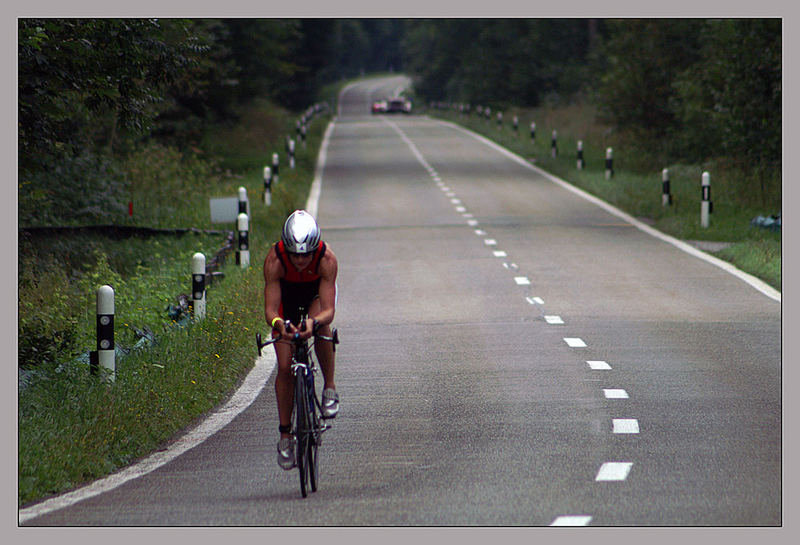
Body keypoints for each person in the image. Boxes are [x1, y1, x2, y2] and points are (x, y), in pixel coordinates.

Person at [263, 210, 339, 470]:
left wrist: (313, 322)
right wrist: (278, 325)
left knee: (322, 328)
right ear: (286, 249)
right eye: (295, 254)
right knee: (284, 367)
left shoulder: (326, 259)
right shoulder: (274, 260)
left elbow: (329, 309)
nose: (300, 260)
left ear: (315, 248)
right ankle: (285, 436)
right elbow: (270, 310)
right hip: (286, 302)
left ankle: (329, 388)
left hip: (313, 297)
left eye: (306, 254)